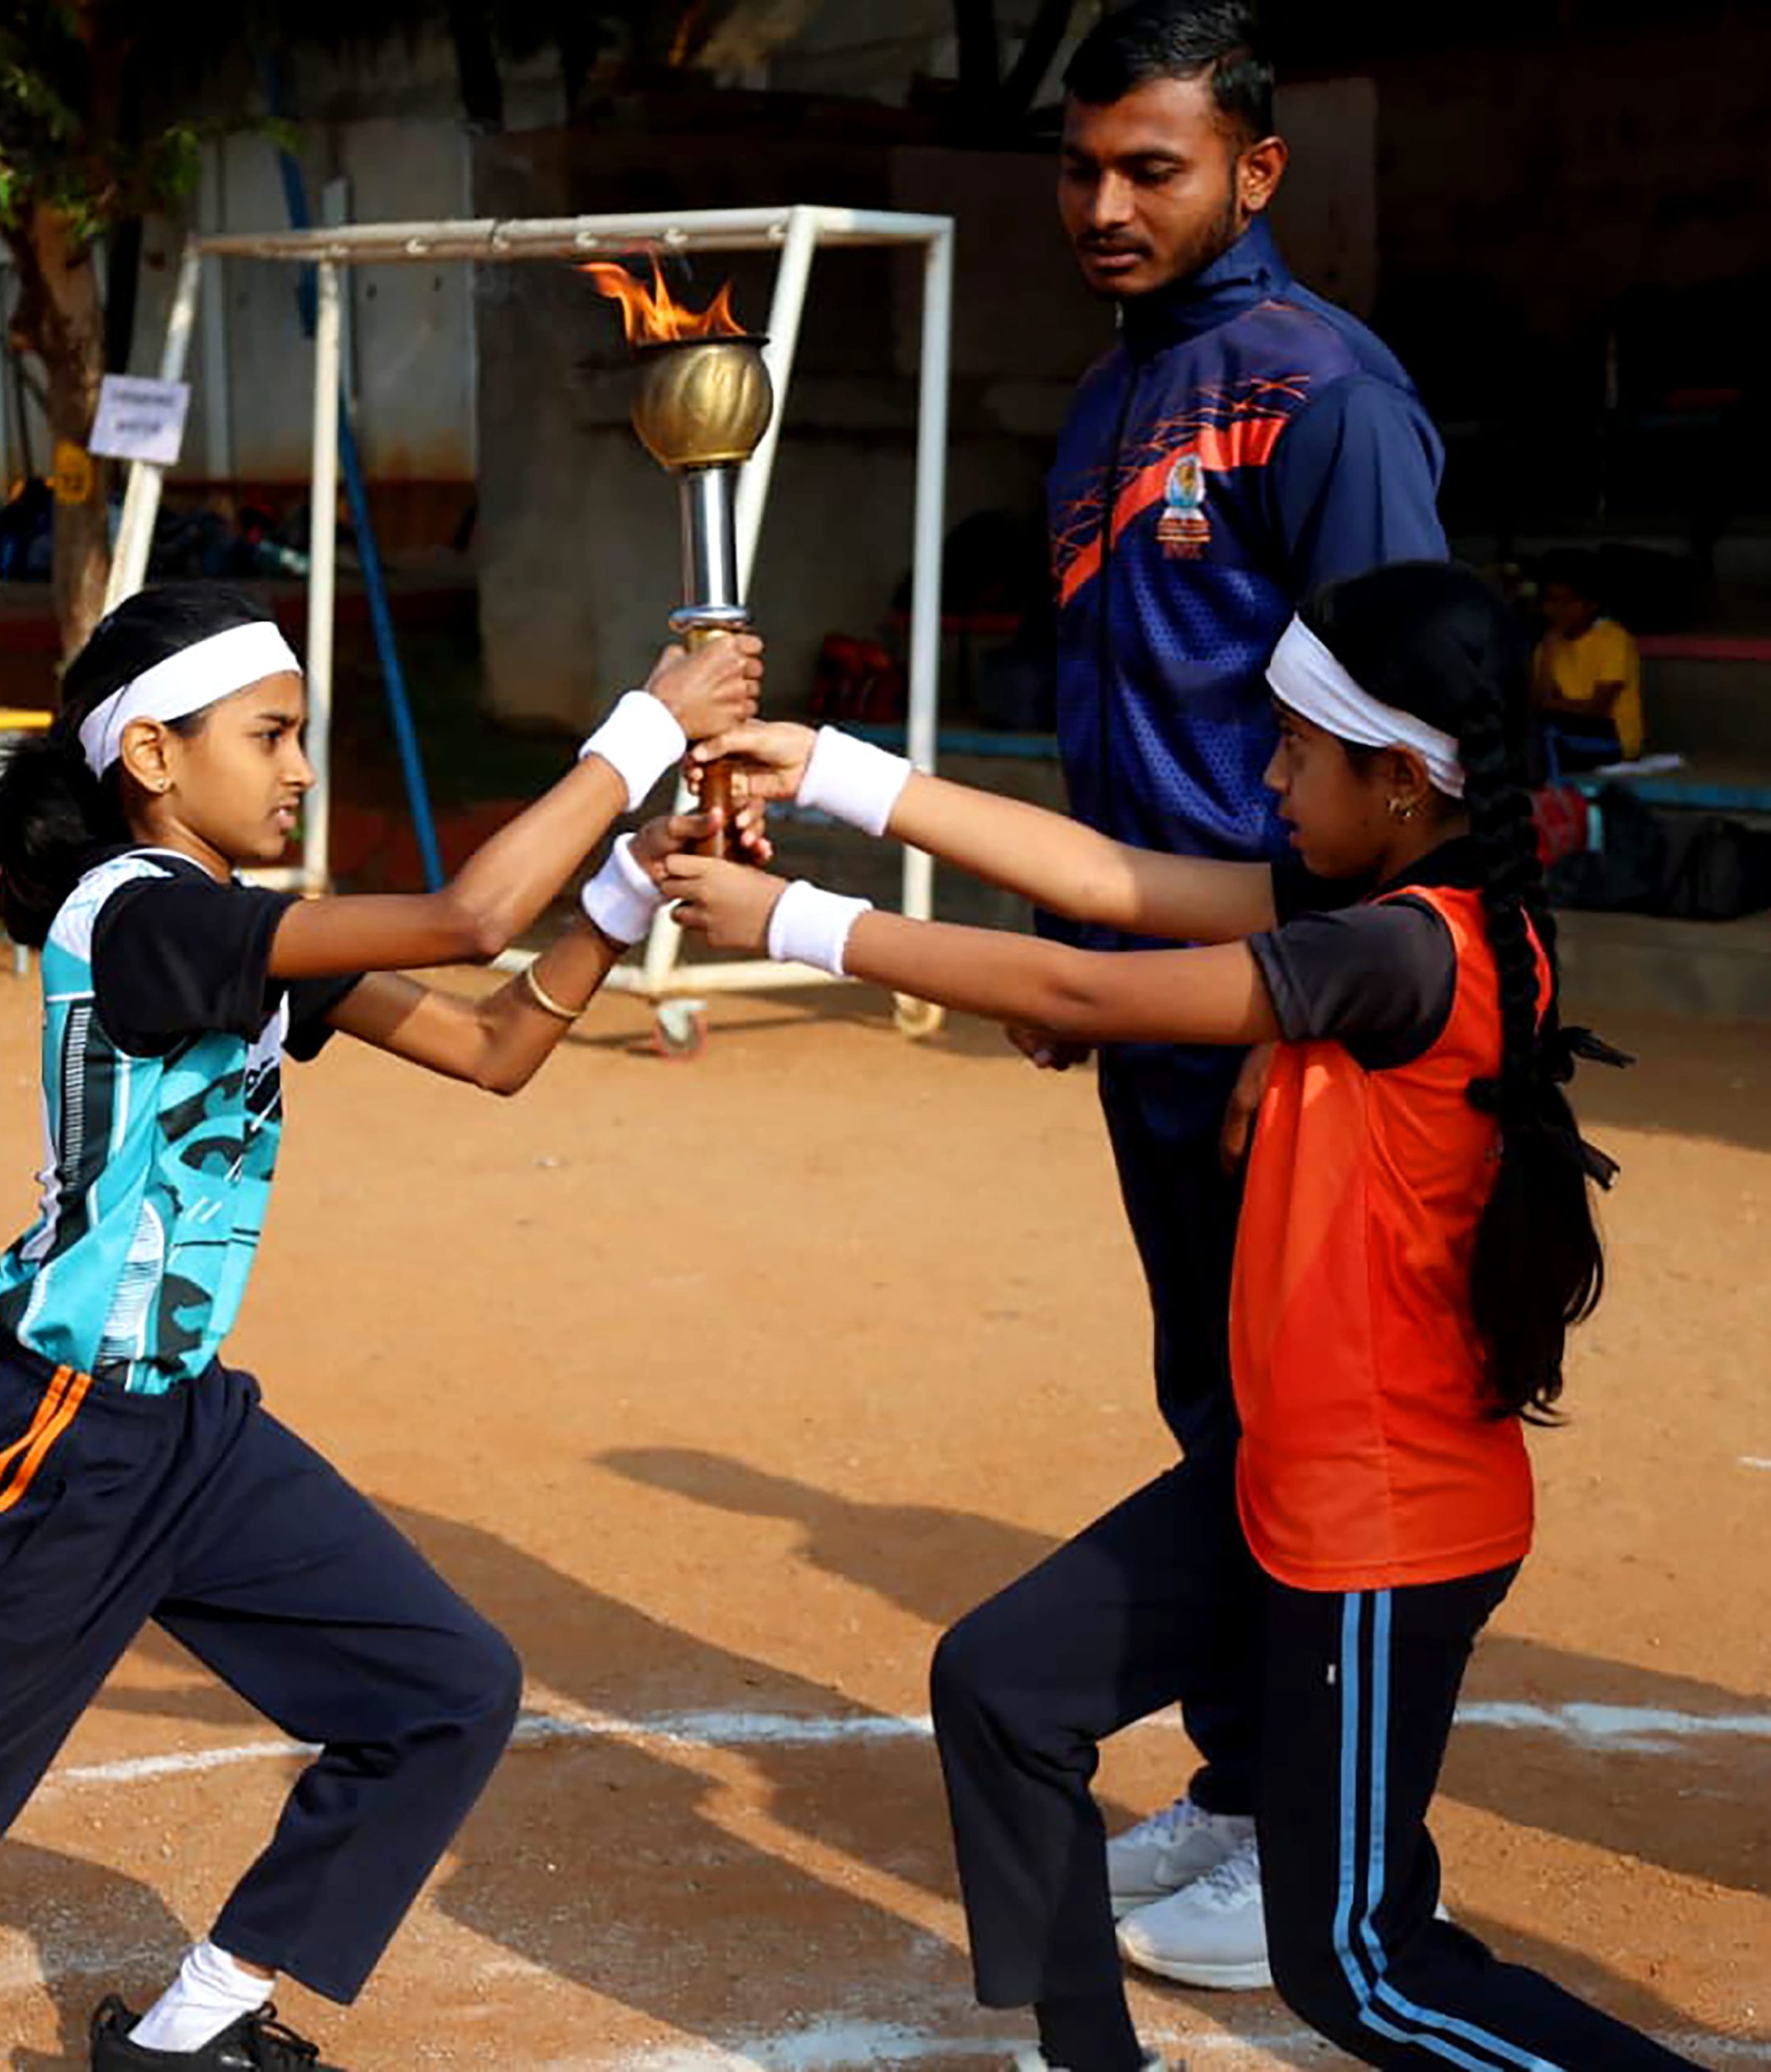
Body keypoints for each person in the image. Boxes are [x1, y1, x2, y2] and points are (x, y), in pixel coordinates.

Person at [0, 582, 760, 2072]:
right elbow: (468, 921)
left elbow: (494, 1043)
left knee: (442, 1690)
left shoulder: (235, 941)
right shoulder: (145, 921)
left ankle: (198, 2027)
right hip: (65, 1441)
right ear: (152, 755)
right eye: (268, 736)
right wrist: (646, 728)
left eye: (301, 737)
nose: (301, 769)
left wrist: (633, 889)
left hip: (184, 1428)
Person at [664, 560, 1695, 2072]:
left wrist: (796, 920)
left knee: (1359, 1968)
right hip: (1293, 1475)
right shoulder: (1395, 910)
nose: (1268, 776)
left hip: (1381, 1525)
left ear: (1401, 780)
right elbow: (1101, 879)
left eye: (1294, 749)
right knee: (1004, 1686)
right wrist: (830, 768)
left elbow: (1080, 989)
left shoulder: (1396, 952)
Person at [1029, 0, 1451, 1988]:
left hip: (1283, 1009)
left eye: (1152, 169)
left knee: (1299, 1414)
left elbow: (1402, 749)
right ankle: (1237, 1768)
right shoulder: (1106, 397)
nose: (1104, 206)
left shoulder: (1319, 398)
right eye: (1084, 167)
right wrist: (1098, 979)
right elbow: (1116, 720)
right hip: (1161, 999)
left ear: (1252, 172)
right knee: (1211, 1395)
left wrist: (1285, 1009)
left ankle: (1319, 1824)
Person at [1534, 549, 1645, 772]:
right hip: (1563, 728)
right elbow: (1540, 701)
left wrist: (1557, 704)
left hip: (1611, 738)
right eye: (1551, 601)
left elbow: (1597, 708)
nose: (1558, 611)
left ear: (1592, 605)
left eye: (1568, 603)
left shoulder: (1613, 638)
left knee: (1542, 744)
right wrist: (1548, 652)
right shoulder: (1548, 644)